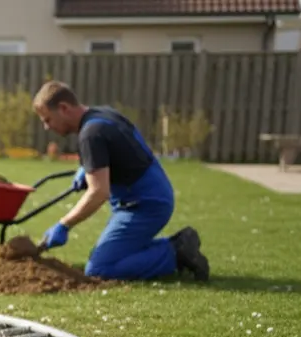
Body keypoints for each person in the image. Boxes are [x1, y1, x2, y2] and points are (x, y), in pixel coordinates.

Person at [32, 81, 209, 282]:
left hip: (144, 205)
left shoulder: (91, 134)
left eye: (48, 119)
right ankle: (173, 245)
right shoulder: (103, 115)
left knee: (100, 269)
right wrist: (88, 168)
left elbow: (99, 193)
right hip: (153, 194)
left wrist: (64, 225)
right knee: (107, 257)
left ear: (63, 108)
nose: (47, 127)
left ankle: (176, 253)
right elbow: (123, 147)